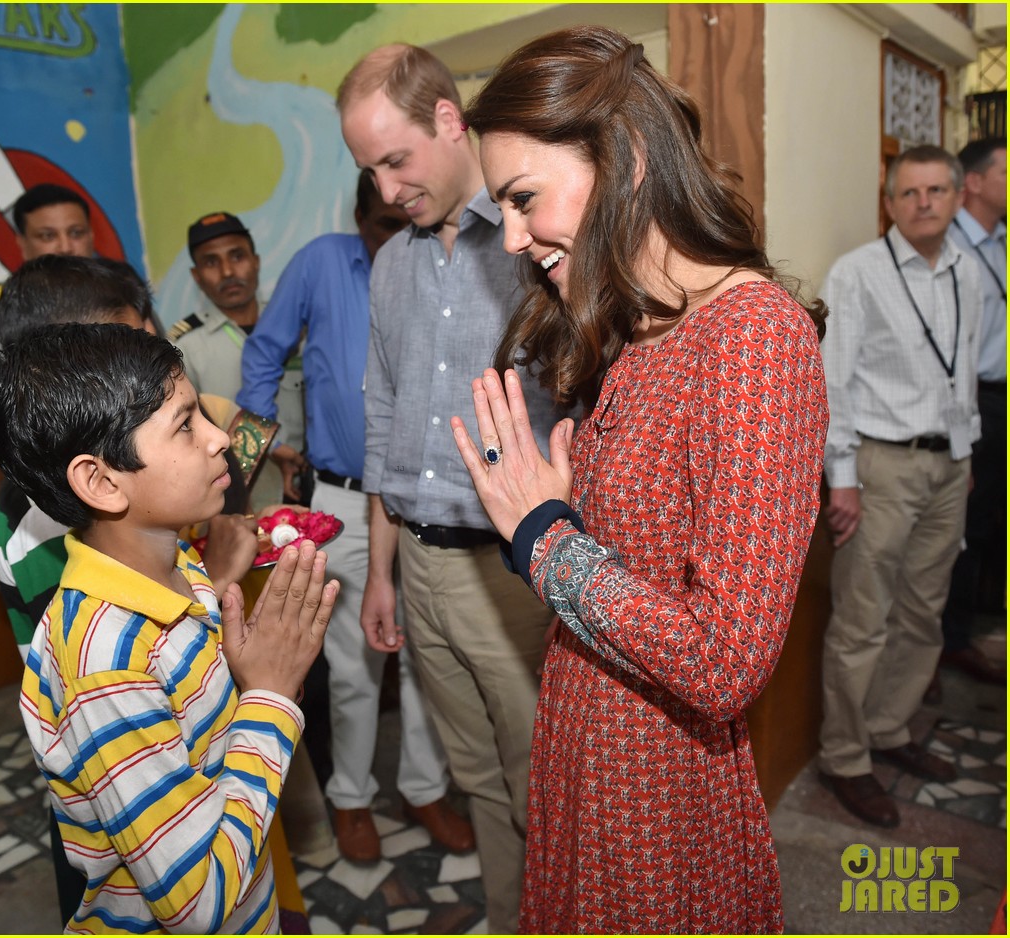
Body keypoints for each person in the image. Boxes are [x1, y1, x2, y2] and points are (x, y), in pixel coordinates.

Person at [450, 26, 828, 933]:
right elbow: (637, 560)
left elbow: (723, 661)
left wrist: (543, 535)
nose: (508, 238)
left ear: (621, 158)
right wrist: (562, 516)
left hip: (658, 777)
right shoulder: (644, 331)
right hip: (590, 732)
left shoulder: (754, 338)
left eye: (522, 199)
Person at [0, 321, 339, 933]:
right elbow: (195, 904)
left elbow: (207, 750)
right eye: (184, 424)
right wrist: (272, 700)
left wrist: (258, 683)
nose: (220, 439)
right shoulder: (105, 665)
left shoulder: (176, 565)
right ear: (100, 481)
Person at [337, 43, 564, 930]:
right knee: (478, 780)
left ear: (447, 119)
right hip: (421, 569)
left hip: (513, 575)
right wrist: (383, 572)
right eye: (369, 171)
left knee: (541, 782)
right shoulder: (392, 265)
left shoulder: (532, 240)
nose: (388, 189)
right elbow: (384, 424)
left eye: (396, 160)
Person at [237, 171, 472, 862]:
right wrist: (261, 445)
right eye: (380, 227)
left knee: (432, 659)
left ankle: (424, 788)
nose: (395, 239)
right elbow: (263, 351)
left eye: (406, 226)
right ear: (359, 216)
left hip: (425, 499)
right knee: (351, 664)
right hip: (339, 497)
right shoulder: (319, 262)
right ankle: (351, 799)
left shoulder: (442, 260)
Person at [815, 144, 981, 829]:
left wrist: (963, 456)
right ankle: (844, 757)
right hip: (881, 469)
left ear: (956, 197)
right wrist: (843, 480)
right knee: (863, 620)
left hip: (948, 467)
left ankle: (889, 729)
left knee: (923, 611)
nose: (924, 203)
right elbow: (833, 385)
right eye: (909, 193)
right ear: (889, 202)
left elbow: (962, 371)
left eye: (937, 190)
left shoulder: (968, 271)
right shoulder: (858, 274)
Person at [0, 254, 258, 662]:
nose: (149, 343)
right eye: (126, 339)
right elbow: (106, 657)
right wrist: (216, 580)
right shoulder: (40, 527)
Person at [0, 183, 96, 583]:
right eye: (48, 235)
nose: (66, 246)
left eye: (76, 232)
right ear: (22, 243)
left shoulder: (122, 308)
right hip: (39, 524)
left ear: (92, 236)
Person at [168, 212, 304, 508]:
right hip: (239, 498)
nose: (228, 271)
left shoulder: (294, 323)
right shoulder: (184, 346)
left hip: (310, 483)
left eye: (237, 256)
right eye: (211, 262)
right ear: (196, 276)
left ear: (255, 260)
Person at [937, 137, 1006, 688]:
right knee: (967, 523)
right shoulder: (951, 252)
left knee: (984, 521)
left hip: (992, 399)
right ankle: (952, 640)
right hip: (972, 399)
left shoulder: (999, 243)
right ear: (976, 182)